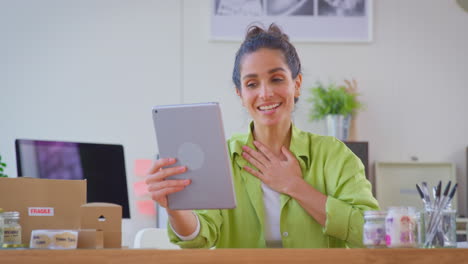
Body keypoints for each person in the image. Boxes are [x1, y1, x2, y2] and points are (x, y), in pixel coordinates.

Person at [145, 24, 379, 248]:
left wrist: (294, 185)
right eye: (252, 84)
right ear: (240, 94)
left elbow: (370, 234)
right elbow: (200, 237)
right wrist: (174, 207)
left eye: (276, 79)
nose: (265, 93)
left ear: (296, 84)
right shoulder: (221, 157)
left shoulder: (334, 155)